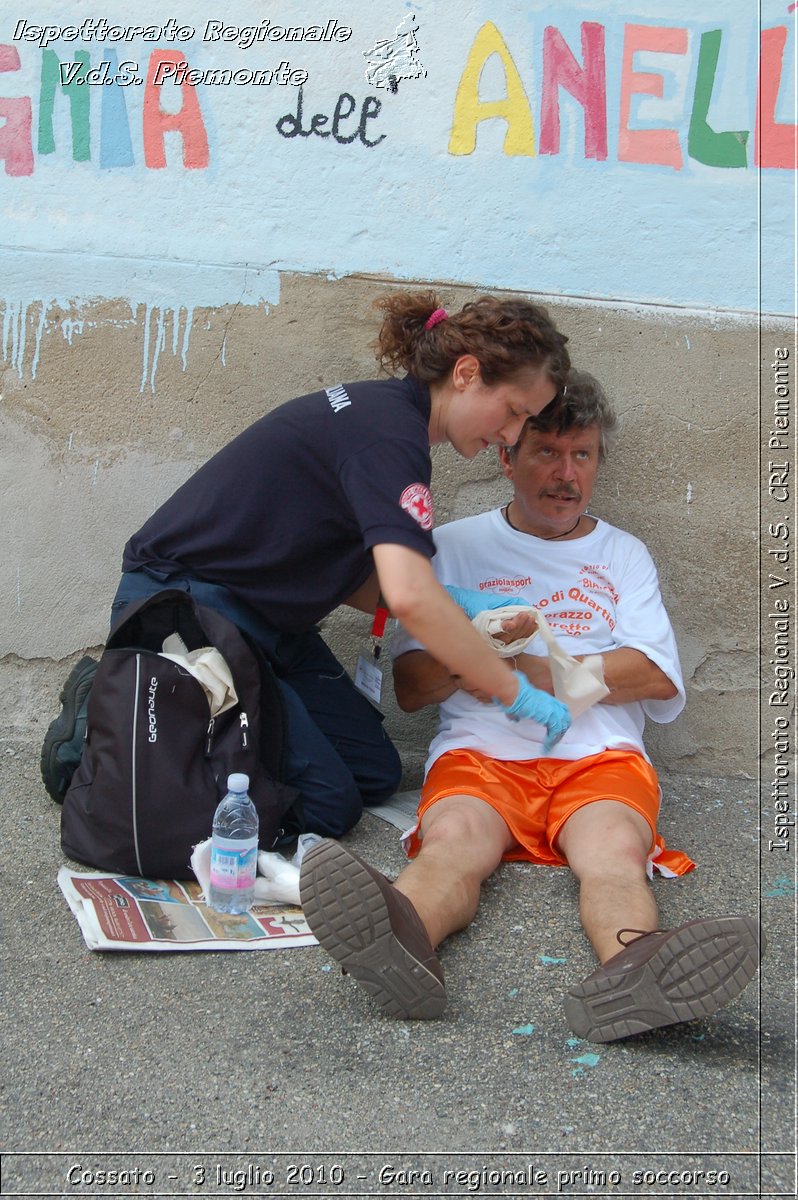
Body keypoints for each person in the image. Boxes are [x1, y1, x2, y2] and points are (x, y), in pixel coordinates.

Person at [298, 370, 764, 1042]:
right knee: (453, 847)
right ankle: (398, 944)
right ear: (507, 456)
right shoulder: (453, 547)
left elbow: (656, 675)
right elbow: (411, 686)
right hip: (481, 756)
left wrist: (528, 667)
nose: (566, 475)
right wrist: (476, 645)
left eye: (583, 455)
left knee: (612, 853)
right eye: (547, 452)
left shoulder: (623, 555)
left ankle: (636, 972)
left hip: (598, 759)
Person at [42, 292, 573, 841]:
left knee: (374, 775)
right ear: (467, 373)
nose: (510, 435)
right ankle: (101, 729)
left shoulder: (388, 419)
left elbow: (358, 578)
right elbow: (410, 597)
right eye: (513, 412)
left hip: (267, 620)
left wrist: (463, 603)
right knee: (325, 808)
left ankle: (211, 727)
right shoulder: (389, 435)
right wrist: (516, 694)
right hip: (183, 606)